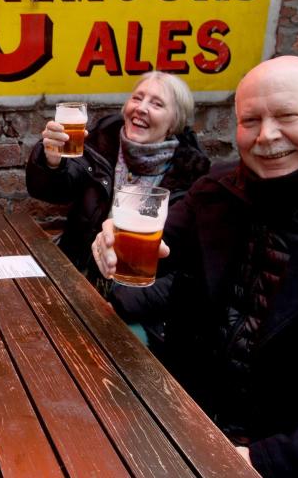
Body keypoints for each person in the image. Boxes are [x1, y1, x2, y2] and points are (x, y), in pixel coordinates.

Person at [94, 56, 298, 476]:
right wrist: (110, 245)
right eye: (250, 120)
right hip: (197, 431)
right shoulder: (216, 191)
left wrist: (263, 460)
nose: (266, 136)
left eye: (287, 116)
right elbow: (156, 248)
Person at [25, 71, 210, 346]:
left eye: (157, 104)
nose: (141, 108)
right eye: (137, 98)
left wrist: (120, 304)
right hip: (78, 279)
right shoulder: (102, 144)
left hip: (139, 308)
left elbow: (187, 274)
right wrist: (51, 160)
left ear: (175, 123)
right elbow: (54, 189)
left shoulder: (193, 177)